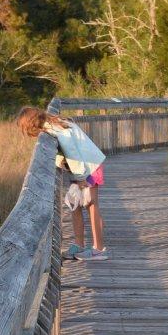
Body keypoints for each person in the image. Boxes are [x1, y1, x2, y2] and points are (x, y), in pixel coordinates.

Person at [17, 106, 106, 259]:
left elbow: (72, 151)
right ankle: (79, 245)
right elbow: (64, 151)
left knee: (91, 205)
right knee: (75, 204)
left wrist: (81, 179)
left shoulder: (56, 128)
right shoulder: (54, 124)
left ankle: (99, 249)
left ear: (31, 124)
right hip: (82, 169)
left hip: (90, 168)